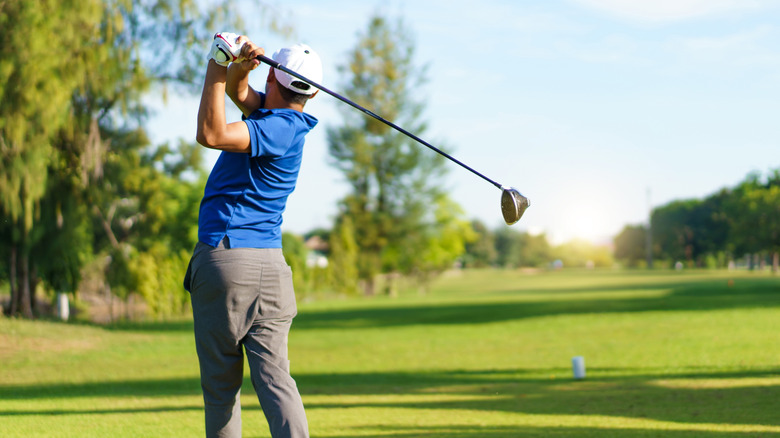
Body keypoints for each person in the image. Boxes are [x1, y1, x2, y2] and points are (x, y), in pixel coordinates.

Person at [183, 33, 322, 438]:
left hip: (227, 259)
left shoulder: (276, 127)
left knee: (222, 390)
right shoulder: (287, 120)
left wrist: (216, 62)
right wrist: (238, 72)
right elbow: (242, 94)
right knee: (277, 384)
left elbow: (210, 133)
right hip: (271, 271)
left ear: (276, 78)